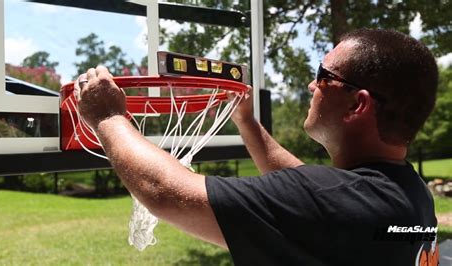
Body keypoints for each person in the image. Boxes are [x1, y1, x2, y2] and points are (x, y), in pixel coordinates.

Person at [74, 28, 439, 265]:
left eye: (324, 77)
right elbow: (306, 185)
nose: (312, 86)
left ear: (357, 105)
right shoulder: (410, 194)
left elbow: (164, 192)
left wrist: (107, 117)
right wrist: (247, 122)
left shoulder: (331, 203)